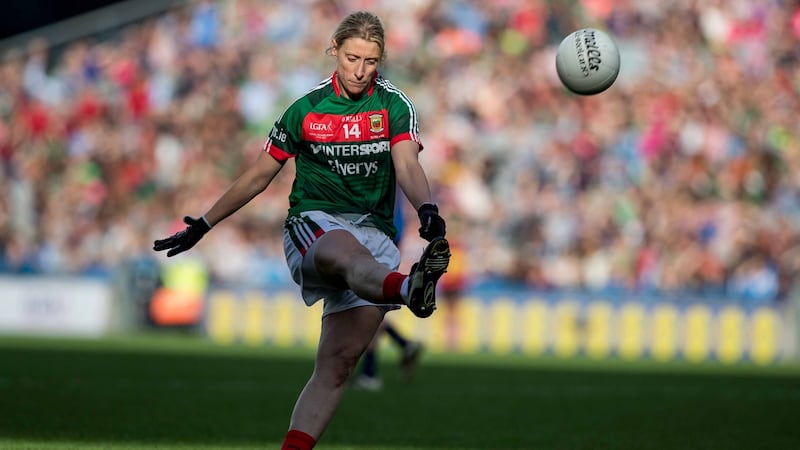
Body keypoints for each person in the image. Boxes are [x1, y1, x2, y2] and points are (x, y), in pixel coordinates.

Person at [152, 11, 450, 450]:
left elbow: (407, 162)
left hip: (376, 234)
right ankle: (409, 290)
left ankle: (407, 289)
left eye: (371, 61)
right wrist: (205, 223)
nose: (360, 70)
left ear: (381, 59)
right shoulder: (306, 110)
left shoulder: (394, 106)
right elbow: (259, 175)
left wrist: (427, 207)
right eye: (352, 58)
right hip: (315, 222)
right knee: (348, 258)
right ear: (335, 50)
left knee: (338, 365)